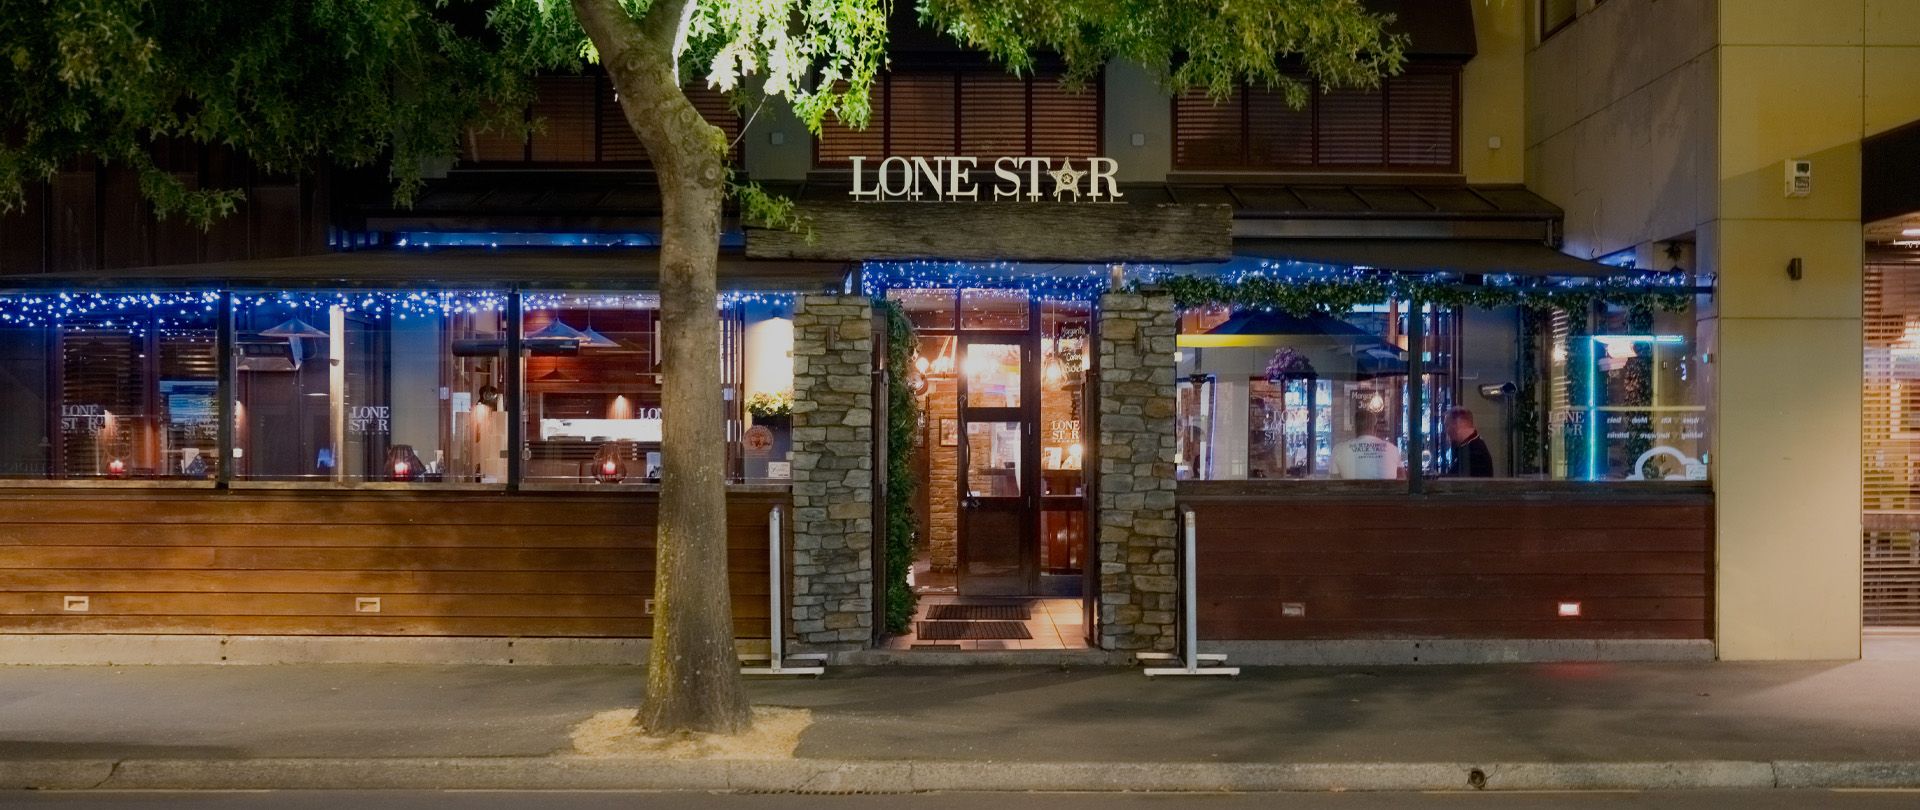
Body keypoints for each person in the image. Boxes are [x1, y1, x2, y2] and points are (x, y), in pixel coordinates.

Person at [1332, 409, 1402, 480]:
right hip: (1385, 491)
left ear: (1355, 428)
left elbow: (1334, 484)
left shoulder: (1338, 450)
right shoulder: (1393, 449)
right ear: (1375, 428)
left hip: (1354, 491)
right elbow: (1402, 479)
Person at [1446, 407, 1496, 478]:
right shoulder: (1471, 446)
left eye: (1447, 425)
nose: (1447, 430)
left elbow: (1455, 483)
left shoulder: (1474, 452)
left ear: (1458, 423)